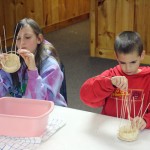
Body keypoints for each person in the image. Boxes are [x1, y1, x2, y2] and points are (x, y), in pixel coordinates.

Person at [80, 31, 150, 130]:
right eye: (123, 62)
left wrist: (146, 120)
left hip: (137, 133)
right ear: (116, 57)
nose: (128, 68)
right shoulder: (112, 75)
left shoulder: (148, 79)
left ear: (142, 55)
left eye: (133, 62)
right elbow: (85, 96)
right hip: (110, 131)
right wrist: (109, 83)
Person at [0, 18, 67, 107]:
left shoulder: (51, 66)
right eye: (18, 38)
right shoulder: (14, 63)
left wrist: (32, 71)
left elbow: (40, 104)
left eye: (27, 37)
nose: (22, 43)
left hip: (53, 112)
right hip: (26, 111)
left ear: (39, 39)